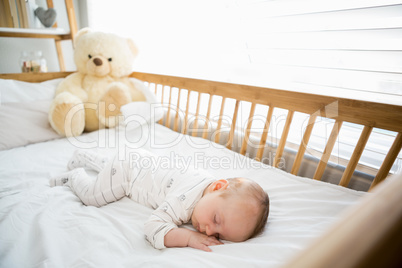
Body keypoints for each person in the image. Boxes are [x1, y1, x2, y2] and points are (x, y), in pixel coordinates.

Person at [50, 149, 270, 252]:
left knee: (111, 166)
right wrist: (188, 238)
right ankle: (75, 176)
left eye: (219, 235)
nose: (209, 232)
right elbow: (153, 226)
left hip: (135, 158)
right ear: (217, 187)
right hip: (128, 173)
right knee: (93, 197)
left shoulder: (211, 190)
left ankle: (87, 156)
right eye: (215, 219)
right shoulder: (185, 199)